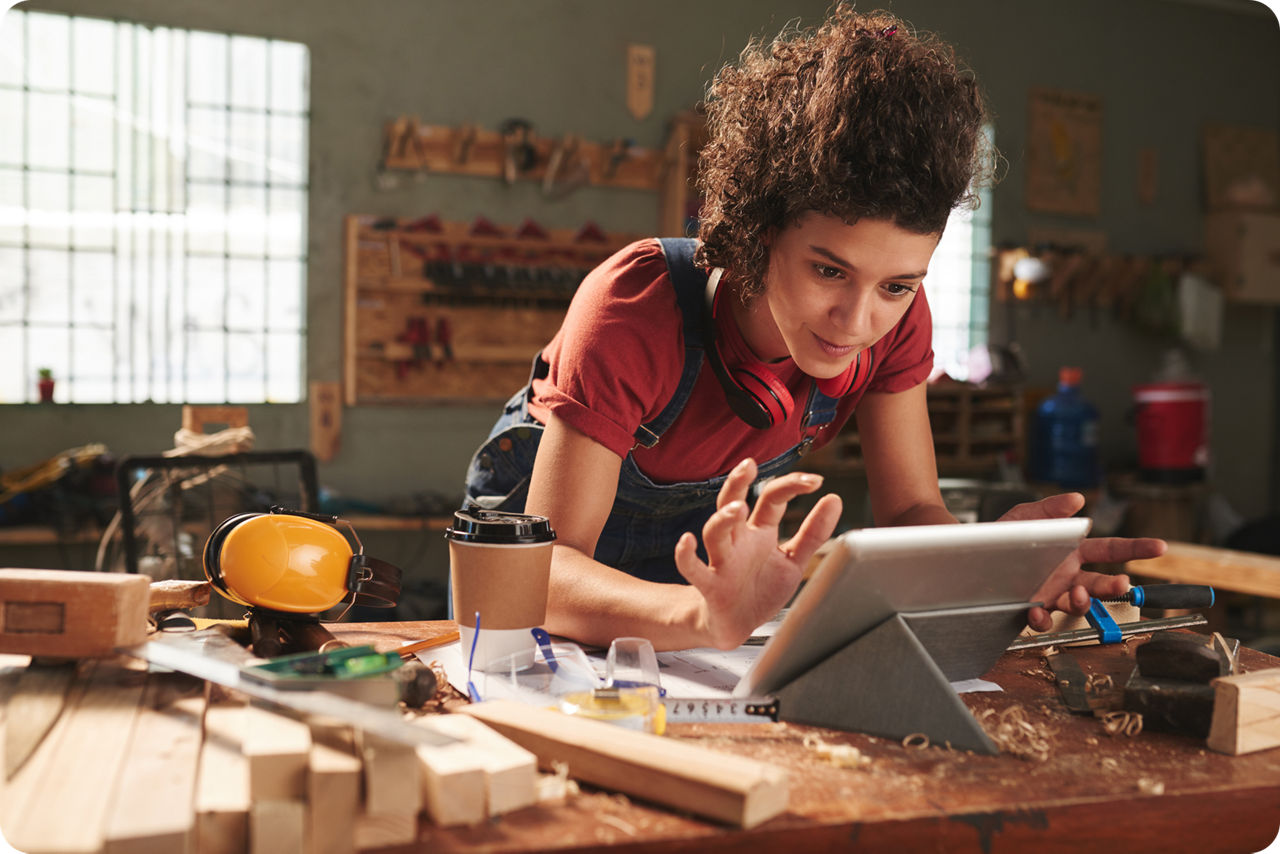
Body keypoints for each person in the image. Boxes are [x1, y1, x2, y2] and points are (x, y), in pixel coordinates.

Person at [463, 7, 1164, 651]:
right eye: (829, 271)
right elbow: (541, 573)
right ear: (758, 236)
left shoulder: (896, 325)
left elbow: (911, 509)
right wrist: (698, 618)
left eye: (896, 285)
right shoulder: (635, 308)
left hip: (696, 620)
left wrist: (984, 566)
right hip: (554, 600)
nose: (858, 323)